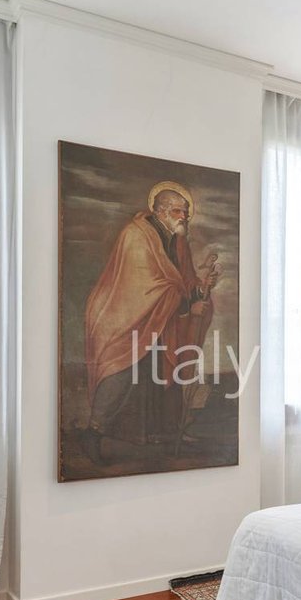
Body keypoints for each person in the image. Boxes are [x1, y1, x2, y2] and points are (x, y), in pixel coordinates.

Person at [83, 181, 222, 455]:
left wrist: (200, 288)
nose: (184, 217)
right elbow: (144, 287)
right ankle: (93, 433)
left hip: (159, 319)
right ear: (160, 211)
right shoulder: (136, 235)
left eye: (185, 212)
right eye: (178, 211)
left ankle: (163, 432)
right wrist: (187, 305)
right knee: (122, 369)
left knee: (163, 372)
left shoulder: (177, 241)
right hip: (123, 317)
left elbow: (182, 282)